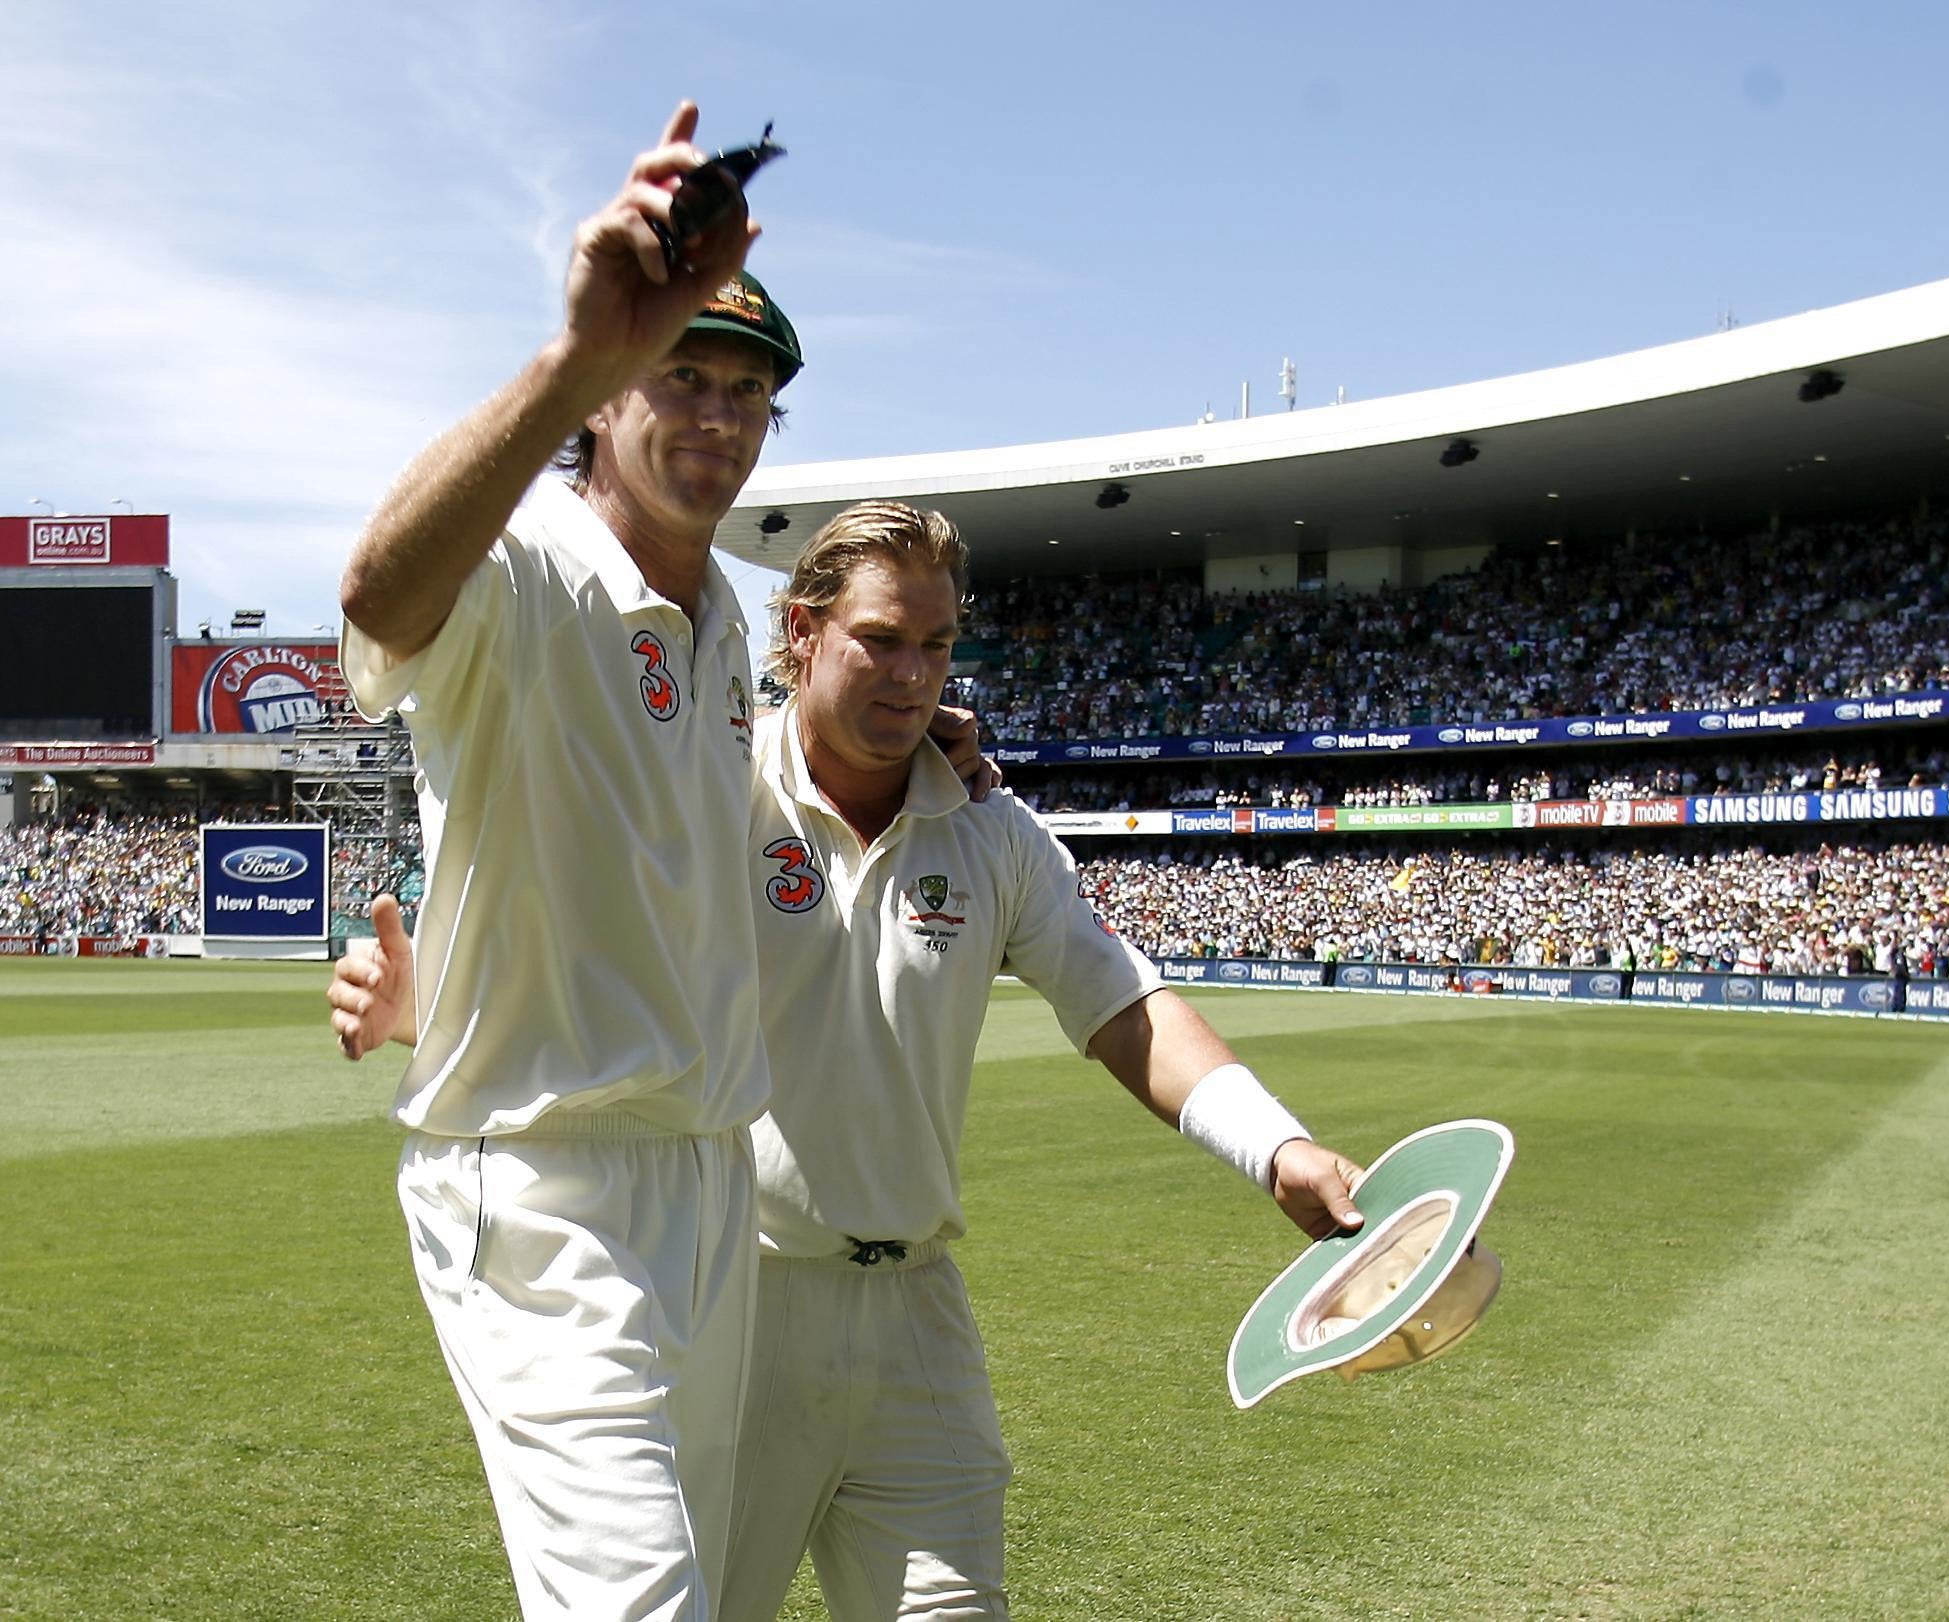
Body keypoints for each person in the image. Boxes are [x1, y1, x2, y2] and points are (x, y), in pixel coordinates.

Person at [334, 501, 1364, 1620]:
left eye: (934, 645)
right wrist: (427, 1004)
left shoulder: (991, 830)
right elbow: (579, 943)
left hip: (917, 1320)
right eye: (879, 638)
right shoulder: (708, 792)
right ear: (800, 635)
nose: (912, 673)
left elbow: (1121, 1004)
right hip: (734, 1298)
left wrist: (1278, 1148)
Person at [331, 105, 984, 1620]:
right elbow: (376, 587)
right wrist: (574, 352)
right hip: (545, 1185)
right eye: (677, 375)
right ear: (613, 398)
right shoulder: (530, 560)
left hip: (708, 1187)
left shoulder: (720, 626)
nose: (712, 414)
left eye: (744, 392)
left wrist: (927, 736)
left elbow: (654, 876)